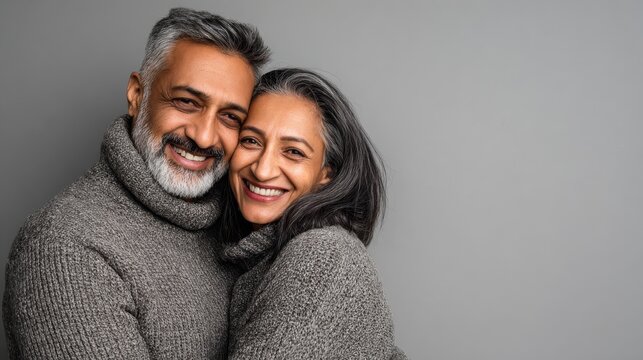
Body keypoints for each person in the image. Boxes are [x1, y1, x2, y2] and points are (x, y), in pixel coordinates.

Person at [3, 8, 269, 359]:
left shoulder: (239, 224)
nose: (204, 137)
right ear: (136, 94)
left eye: (230, 117)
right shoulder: (65, 246)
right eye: (187, 102)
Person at [219, 68, 406, 359]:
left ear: (326, 174)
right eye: (251, 141)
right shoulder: (259, 255)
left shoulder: (323, 257)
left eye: (293, 152)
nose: (262, 169)